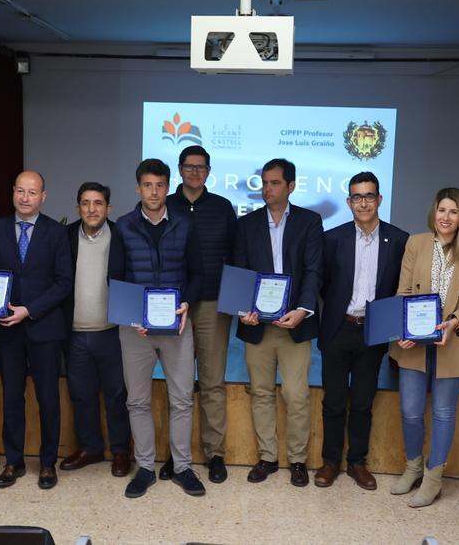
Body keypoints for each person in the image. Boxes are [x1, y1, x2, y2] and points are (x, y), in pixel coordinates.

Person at [387, 188, 459, 507]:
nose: (446, 217)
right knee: (410, 411)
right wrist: (403, 328)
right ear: (434, 212)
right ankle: (413, 466)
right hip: (413, 343)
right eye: (441, 210)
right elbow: (403, 291)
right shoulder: (416, 243)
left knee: (444, 412)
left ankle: (433, 478)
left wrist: (456, 322)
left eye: (453, 212)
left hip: (453, 342)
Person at [117, 158, 206, 499]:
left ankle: (182, 467)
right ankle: (144, 468)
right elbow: (117, 278)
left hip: (177, 324)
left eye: (159, 185)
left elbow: (197, 274)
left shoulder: (184, 224)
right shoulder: (124, 225)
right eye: (147, 185)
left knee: (182, 399)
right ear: (138, 188)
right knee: (137, 400)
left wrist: (186, 302)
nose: (153, 192)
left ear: (168, 187)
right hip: (135, 329)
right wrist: (132, 316)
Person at [232, 158, 324, 488]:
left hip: (294, 323)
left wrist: (303, 308)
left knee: (296, 395)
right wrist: (243, 308)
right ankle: (268, 458)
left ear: (291, 186)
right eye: (264, 183)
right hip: (257, 325)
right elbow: (240, 270)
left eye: (274, 183)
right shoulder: (246, 224)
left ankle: (297, 460)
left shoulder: (310, 222)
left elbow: (314, 271)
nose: (267, 189)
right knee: (260, 393)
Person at [315, 172, 408, 490]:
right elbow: (325, 285)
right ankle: (330, 462)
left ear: (380, 199)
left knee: (364, 401)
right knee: (334, 401)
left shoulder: (398, 240)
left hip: (374, 332)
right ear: (349, 202)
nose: (363, 202)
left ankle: (357, 462)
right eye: (357, 197)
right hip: (339, 329)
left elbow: (400, 287)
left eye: (369, 196)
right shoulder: (333, 238)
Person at [0, 170, 73, 490]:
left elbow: (64, 283)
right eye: (20, 191)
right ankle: (14, 461)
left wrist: (30, 310)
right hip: (7, 329)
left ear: (43, 197)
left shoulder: (56, 233)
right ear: (13, 192)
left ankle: (47, 463)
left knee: (48, 398)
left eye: (32, 193)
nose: (25, 198)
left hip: (44, 328)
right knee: (11, 398)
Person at [163, 145, 238, 483]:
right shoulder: (166, 203)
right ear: (179, 170)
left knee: (211, 382)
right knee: (176, 385)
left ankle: (215, 453)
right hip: (172, 305)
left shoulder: (222, 207)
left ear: (208, 172)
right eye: (189, 167)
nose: (194, 172)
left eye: (201, 167)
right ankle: (175, 455)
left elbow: (236, 256)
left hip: (211, 304)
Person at [61, 182, 132, 477]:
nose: (92, 209)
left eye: (98, 203)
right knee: (81, 394)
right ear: (78, 207)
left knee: (116, 394)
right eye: (86, 203)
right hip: (75, 332)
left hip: (111, 331)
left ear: (108, 208)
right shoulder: (64, 237)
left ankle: (119, 451)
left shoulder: (122, 236)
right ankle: (90, 448)